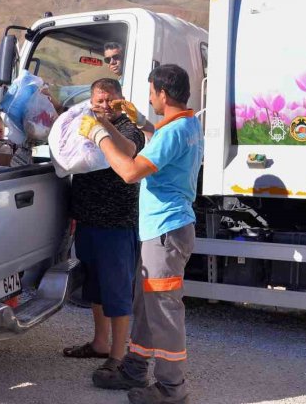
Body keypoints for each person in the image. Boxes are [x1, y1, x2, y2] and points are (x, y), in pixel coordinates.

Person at [80, 64, 202, 404]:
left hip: (166, 232)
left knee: (163, 311)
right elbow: (151, 145)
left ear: (163, 94)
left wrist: (98, 136)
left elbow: (131, 171)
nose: (149, 99)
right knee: (146, 306)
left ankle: (171, 389)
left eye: (150, 94)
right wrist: (136, 124)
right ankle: (134, 369)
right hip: (161, 232)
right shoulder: (186, 123)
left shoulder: (175, 132)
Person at [63, 79, 145, 373]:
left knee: (117, 291)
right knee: (95, 289)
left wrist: (102, 127)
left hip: (116, 225)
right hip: (88, 222)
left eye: (111, 100)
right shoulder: (84, 122)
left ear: (122, 100)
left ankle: (119, 356)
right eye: (99, 101)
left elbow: (128, 150)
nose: (105, 106)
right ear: (91, 101)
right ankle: (100, 343)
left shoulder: (128, 126)